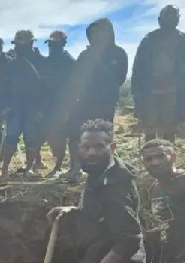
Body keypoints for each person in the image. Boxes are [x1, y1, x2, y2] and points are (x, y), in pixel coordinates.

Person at [47, 119, 146, 263]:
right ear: (78, 147)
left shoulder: (113, 188)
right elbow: (105, 215)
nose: (91, 152)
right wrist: (74, 209)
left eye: (99, 146)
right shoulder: (100, 173)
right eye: (86, 147)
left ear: (112, 146)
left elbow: (129, 240)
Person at [65, 19, 128, 182]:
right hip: (84, 102)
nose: (97, 37)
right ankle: (75, 169)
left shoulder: (119, 54)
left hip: (105, 102)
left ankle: (103, 171)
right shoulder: (85, 55)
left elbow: (119, 78)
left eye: (101, 33)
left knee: (102, 137)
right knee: (75, 134)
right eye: (93, 34)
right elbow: (75, 78)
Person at [140, 139, 185, 263]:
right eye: (148, 159)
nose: (154, 162)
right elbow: (162, 225)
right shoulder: (155, 188)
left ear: (173, 157)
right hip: (171, 257)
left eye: (160, 156)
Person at [132, 5, 185, 143]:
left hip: (174, 93)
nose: (170, 21)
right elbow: (137, 68)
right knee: (150, 130)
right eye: (167, 18)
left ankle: (167, 160)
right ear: (159, 20)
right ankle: (150, 158)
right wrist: (137, 95)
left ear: (178, 20)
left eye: (174, 18)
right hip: (150, 93)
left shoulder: (182, 40)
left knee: (170, 130)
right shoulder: (149, 40)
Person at [1, 30, 46, 176]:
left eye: (22, 44)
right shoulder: (11, 64)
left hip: (33, 108)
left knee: (32, 140)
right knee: (11, 138)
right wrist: (6, 106)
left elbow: (45, 88)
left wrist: (41, 109)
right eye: (17, 44)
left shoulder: (41, 63)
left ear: (31, 44)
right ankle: (5, 169)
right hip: (15, 108)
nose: (19, 48)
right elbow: (5, 86)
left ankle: (29, 169)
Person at [42, 31, 76, 177]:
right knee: (52, 135)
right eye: (50, 44)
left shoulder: (68, 61)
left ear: (63, 44)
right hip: (49, 104)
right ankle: (59, 163)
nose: (51, 46)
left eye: (55, 44)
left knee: (66, 135)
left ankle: (66, 166)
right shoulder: (48, 61)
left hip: (64, 104)